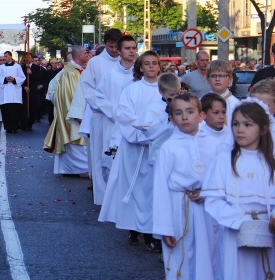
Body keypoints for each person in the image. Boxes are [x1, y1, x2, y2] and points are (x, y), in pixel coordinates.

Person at [99, 51, 167, 249]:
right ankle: (134, 226)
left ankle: (152, 231)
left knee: (153, 189)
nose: (152, 67)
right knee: (135, 187)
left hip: (158, 147)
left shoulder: (166, 88)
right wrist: (143, 132)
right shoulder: (132, 89)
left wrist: (156, 132)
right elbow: (124, 115)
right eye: (147, 63)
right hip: (135, 147)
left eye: (155, 63)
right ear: (140, 67)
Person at [201, 102, 275, 280]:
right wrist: (240, 221)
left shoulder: (271, 162)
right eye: (235, 124)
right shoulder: (223, 160)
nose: (239, 129)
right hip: (234, 232)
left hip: (268, 231)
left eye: (247, 125)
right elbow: (213, 200)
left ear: (263, 129)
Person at [152, 93, 222, 279]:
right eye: (178, 113)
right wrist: (164, 227)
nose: (184, 117)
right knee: (181, 257)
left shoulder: (215, 144)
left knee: (209, 256)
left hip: (208, 210)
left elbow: (221, 178)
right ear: (171, 119)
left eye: (190, 112)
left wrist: (207, 192)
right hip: (178, 208)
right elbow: (160, 188)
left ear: (201, 115)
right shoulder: (169, 148)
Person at [92, 35, 137, 204]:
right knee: (111, 164)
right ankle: (114, 201)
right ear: (119, 51)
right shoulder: (110, 75)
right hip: (114, 123)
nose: (131, 51)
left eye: (133, 48)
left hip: (135, 126)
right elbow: (99, 96)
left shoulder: (140, 74)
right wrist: (115, 111)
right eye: (127, 48)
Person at [43, 45, 90, 175]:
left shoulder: (78, 70)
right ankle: (78, 170)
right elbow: (68, 96)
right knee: (75, 140)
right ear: (79, 56)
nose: (88, 55)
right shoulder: (69, 73)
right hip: (74, 114)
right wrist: (77, 114)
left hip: (79, 111)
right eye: (86, 53)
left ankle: (73, 169)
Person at [0, 51, 26, 133]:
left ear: (11, 57)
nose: (5, 58)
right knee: (6, 111)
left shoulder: (17, 67)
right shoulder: (1, 67)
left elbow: (22, 77)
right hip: (5, 92)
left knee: (15, 111)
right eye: (4, 56)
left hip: (15, 92)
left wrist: (14, 79)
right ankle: (8, 127)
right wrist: (5, 79)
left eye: (6, 56)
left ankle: (15, 127)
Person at [19, 52, 44, 130]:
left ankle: (30, 123)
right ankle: (23, 123)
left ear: (32, 59)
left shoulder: (37, 68)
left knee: (32, 107)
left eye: (29, 57)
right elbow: (20, 78)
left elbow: (39, 78)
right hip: (24, 90)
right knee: (24, 107)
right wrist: (24, 86)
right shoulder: (21, 67)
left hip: (33, 90)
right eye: (26, 57)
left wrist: (31, 73)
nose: (27, 59)